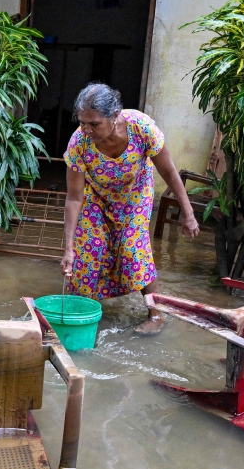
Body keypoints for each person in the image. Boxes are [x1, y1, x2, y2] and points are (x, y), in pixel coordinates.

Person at [60, 83, 199, 335]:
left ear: (114, 116)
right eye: (82, 123)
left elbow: (168, 172)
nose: (86, 129)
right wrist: (69, 247)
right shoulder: (79, 142)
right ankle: (88, 312)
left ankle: (155, 313)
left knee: (133, 250)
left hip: (134, 196)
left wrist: (188, 213)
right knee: (89, 253)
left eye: (94, 124)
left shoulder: (141, 128)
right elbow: (73, 198)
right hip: (95, 197)